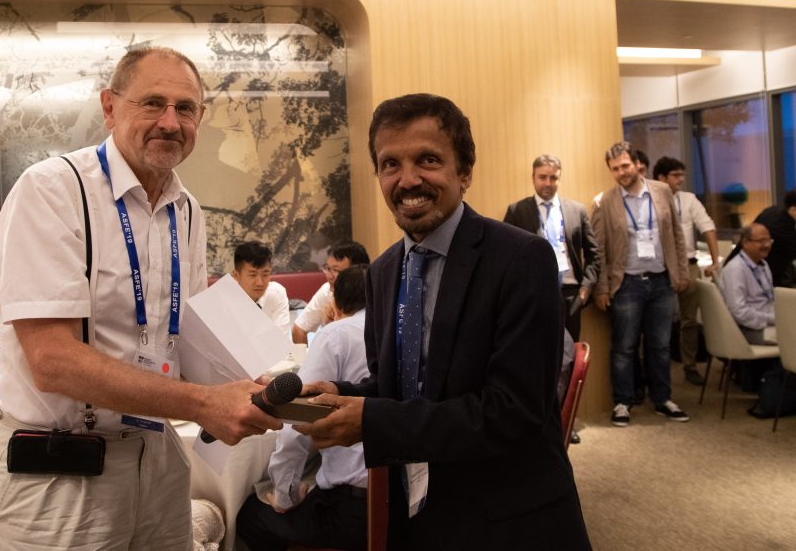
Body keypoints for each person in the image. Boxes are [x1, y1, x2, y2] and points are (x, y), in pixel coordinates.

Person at [0, 46, 281, 550]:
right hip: (59, 470)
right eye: (152, 103)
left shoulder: (186, 210)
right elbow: (53, 362)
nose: (170, 122)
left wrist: (252, 386)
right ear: (110, 107)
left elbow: (184, 339)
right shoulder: (54, 190)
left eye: (186, 108)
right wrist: (204, 403)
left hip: (155, 456)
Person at [296, 94, 589, 548]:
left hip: (507, 521)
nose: (407, 179)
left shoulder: (521, 259)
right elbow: (401, 387)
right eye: (390, 165)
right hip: (416, 515)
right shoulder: (383, 272)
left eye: (428, 160)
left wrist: (371, 421)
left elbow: (514, 413)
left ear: (465, 171)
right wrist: (341, 395)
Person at [237, 265, 371, 551]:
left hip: (351, 508)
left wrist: (284, 495)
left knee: (251, 516)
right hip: (401, 500)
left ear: (336, 301)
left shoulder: (336, 335)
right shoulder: (400, 332)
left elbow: (295, 427)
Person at [592, 141, 691, 428]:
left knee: (660, 346)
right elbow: (599, 249)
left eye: (625, 166)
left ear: (637, 164)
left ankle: (663, 399)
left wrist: (681, 272)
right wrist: (601, 288)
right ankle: (623, 402)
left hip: (661, 281)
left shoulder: (662, 192)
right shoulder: (605, 202)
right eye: (615, 169)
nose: (621, 173)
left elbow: (677, 235)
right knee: (624, 346)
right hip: (627, 284)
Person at [503, 153, 601, 341]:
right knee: (539, 350)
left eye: (553, 178)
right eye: (542, 177)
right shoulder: (517, 211)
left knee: (570, 351)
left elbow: (594, 253)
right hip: (534, 295)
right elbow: (505, 256)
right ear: (533, 177)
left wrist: (586, 289)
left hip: (571, 295)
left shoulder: (577, 210)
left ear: (559, 179)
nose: (548, 183)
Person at [652, 156, 720, 385]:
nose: (681, 179)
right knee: (656, 320)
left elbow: (708, 228)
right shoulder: (650, 199)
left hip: (687, 265)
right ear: (661, 177)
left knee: (689, 320)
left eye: (682, 175)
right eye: (676, 175)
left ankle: (689, 365)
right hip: (660, 266)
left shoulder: (688, 199)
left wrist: (715, 261)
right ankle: (653, 371)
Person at [291, 241, 370, 344]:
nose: (329, 276)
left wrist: (336, 323)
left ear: (357, 272)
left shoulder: (375, 293)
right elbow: (298, 329)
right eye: (328, 268)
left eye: (336, 271)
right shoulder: (327, 291)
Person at [718, 223, 776, 345]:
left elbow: (768, 300)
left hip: (768, 322)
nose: (767, 245)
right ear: (745, 242)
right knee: (791, 338)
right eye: (761, 241)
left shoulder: (763, 264)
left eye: (769, 241)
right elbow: (738, 311)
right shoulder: (736, 269)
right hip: (748, 329)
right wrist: (771, 319)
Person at [232, 241, 291, 336]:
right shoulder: (223, 299)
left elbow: (280, 339)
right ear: (236, 275)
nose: (260, 283)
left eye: (265, 274)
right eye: (252, 275)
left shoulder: (276, 293)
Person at [753, 190, 796, 288]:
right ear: (793, 209)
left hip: (763, 271)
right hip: (765, 276)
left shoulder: (774, 210)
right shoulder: (782, 226)